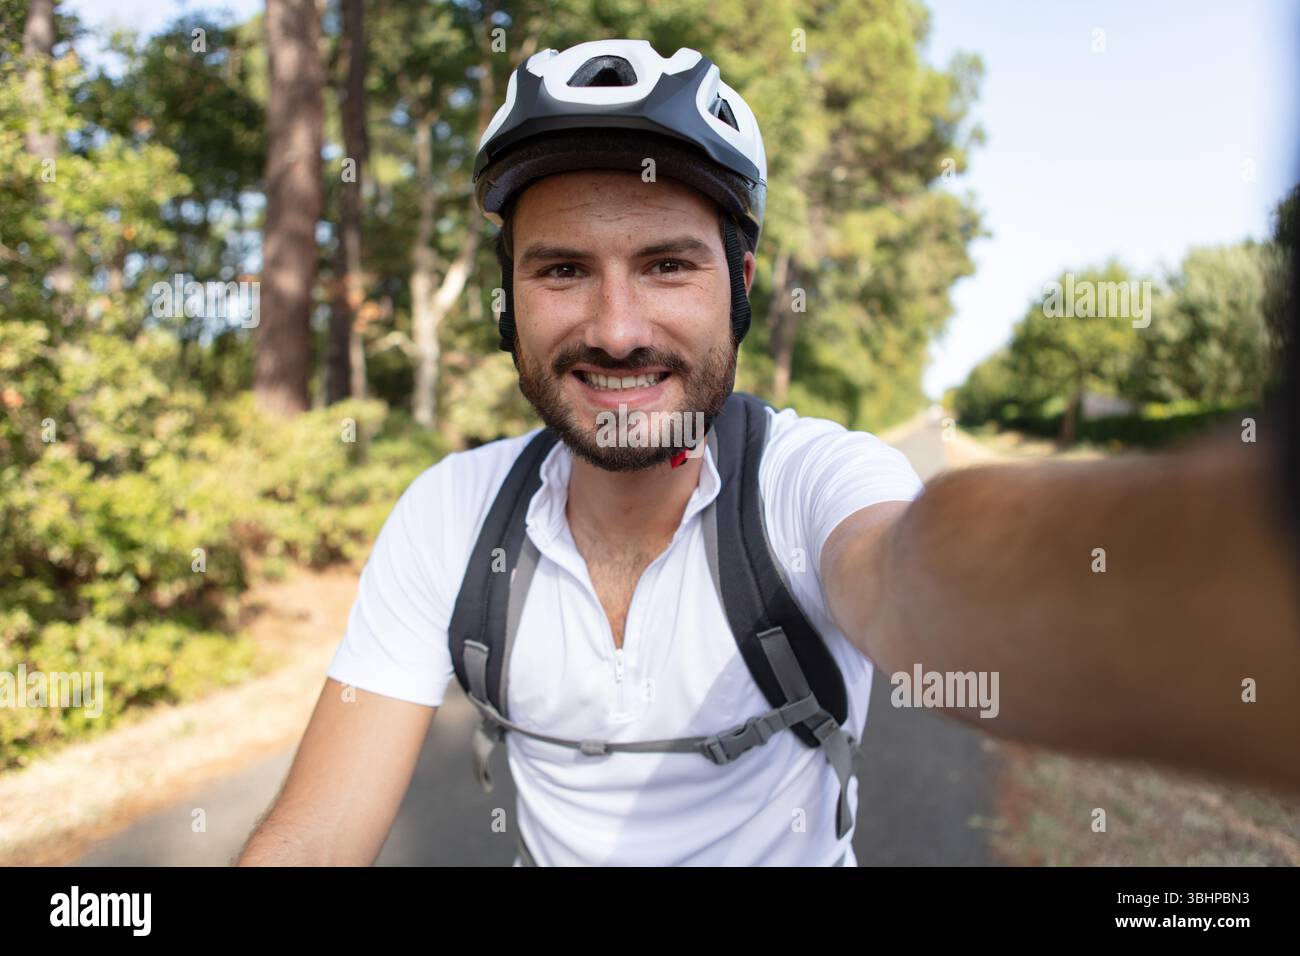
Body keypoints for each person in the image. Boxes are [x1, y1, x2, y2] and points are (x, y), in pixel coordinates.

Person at [238, 39, 1300, 868]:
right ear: (505, 303)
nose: (615, 327)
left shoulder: (810, 483)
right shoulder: (446, 513)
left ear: (740, 287)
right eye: (561, 269)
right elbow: (315, 835)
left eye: (666, 264)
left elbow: (925, 569)